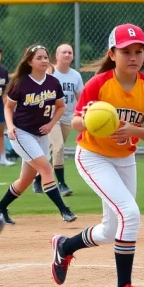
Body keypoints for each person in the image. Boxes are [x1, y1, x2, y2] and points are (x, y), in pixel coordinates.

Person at [49, 24, 144, 287]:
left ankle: (64, 247)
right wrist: (88, 117)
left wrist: (133, 131)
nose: (133, 56)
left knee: (109, 229)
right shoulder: (99, 83)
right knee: (130, 214)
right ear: (112, 54)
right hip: (93, 156)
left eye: (138, 51)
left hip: (125, 158)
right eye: (125, 51)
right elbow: (76, 122)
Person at [0, 45, 76, 224]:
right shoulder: (21, 82)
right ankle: (64, 210)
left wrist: (51, 124)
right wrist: (10, 126)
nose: (44, 60)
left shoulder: (53, 82)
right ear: (30, 62)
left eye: (46, 57)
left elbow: (60, 107)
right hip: (21, 133)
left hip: (41, 134)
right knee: (46, 168)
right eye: (39, 58)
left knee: (26, 179)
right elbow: (8, 107)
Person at [31, 44, 83, 196]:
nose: (67, 55)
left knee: (54, 151)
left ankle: (38, 178)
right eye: (64, 52)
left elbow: (80, 98)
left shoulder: (76, 76)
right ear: (57, 55)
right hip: (51, 117)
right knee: (59, 147)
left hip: (67, 117)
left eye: (70, 52)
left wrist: (79, 114)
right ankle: (61, 184)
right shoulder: (50, 72)